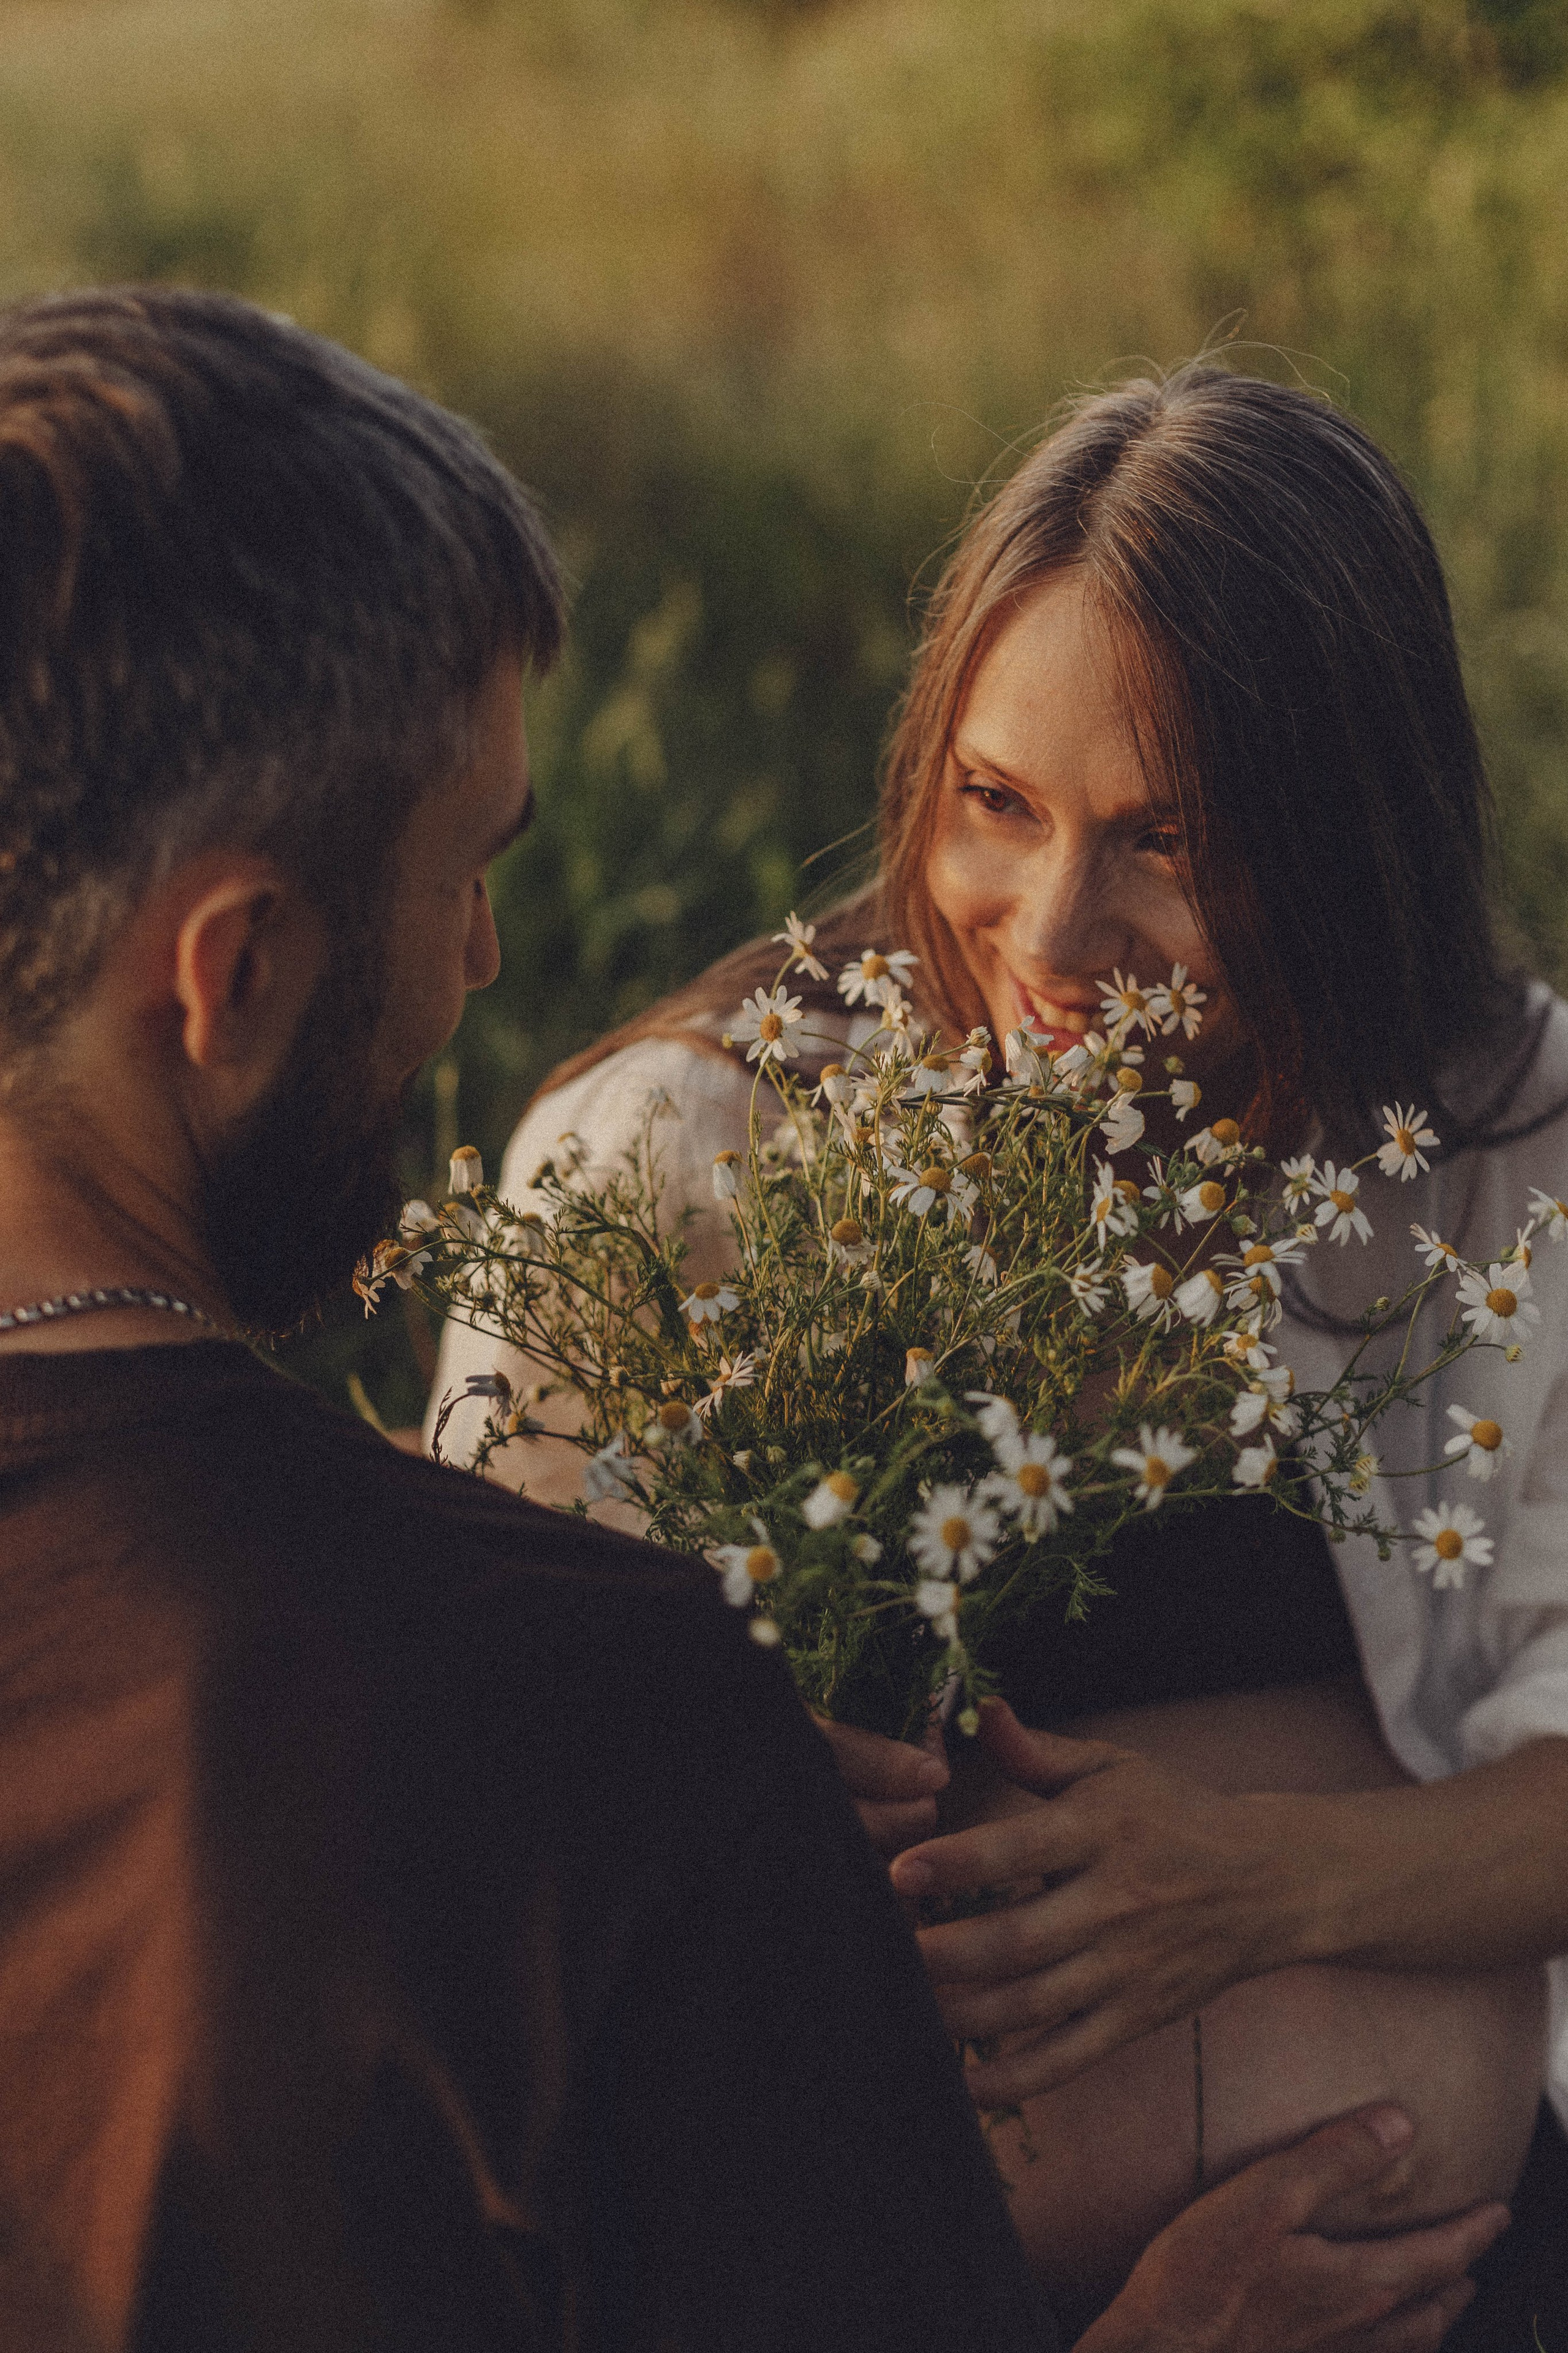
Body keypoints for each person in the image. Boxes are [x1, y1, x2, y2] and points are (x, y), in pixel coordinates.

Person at [0, 288, 1499, 2353]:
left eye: (1169, 837)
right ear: (235, 972)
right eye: (463, 881)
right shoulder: (513, 1689)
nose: (497, 964)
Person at [431, 364, 1568, 2340]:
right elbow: (450, 1821)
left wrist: (1264, 1885)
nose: (1053, 929)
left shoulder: (1500, 1148)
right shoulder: (683, 1161)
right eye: (997, 803)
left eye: (1172, 842)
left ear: (1348, 839)